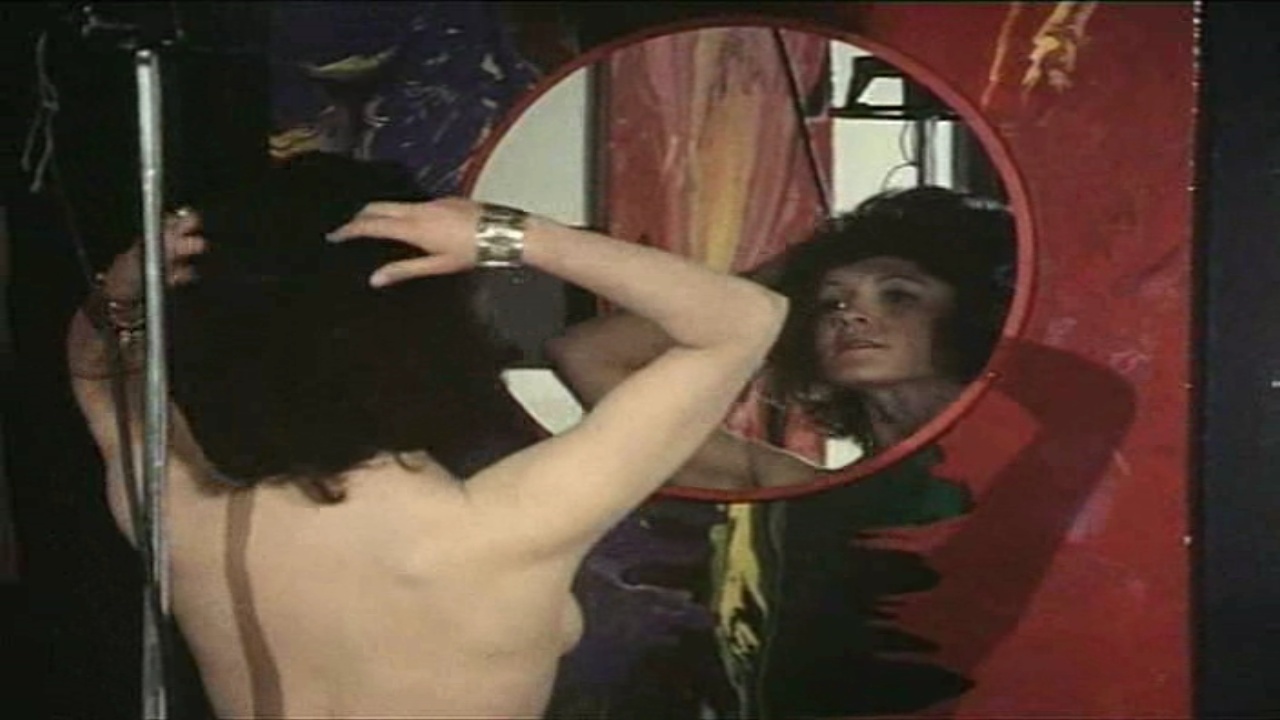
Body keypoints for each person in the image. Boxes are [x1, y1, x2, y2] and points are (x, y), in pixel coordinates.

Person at [65, 152, 786, 719]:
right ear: (432, 333)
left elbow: (99, 375)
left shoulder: (182, 513)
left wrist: (120, 294)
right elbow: (742, 320)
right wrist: (505, 235)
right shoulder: (497, 531)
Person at [548, 185, 1016, 490]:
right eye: (831, 302)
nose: (850, 316)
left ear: (972, 312)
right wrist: (793, 278)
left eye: (897, 296)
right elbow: (586, 354)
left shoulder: (1033, 460)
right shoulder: (788, 488)